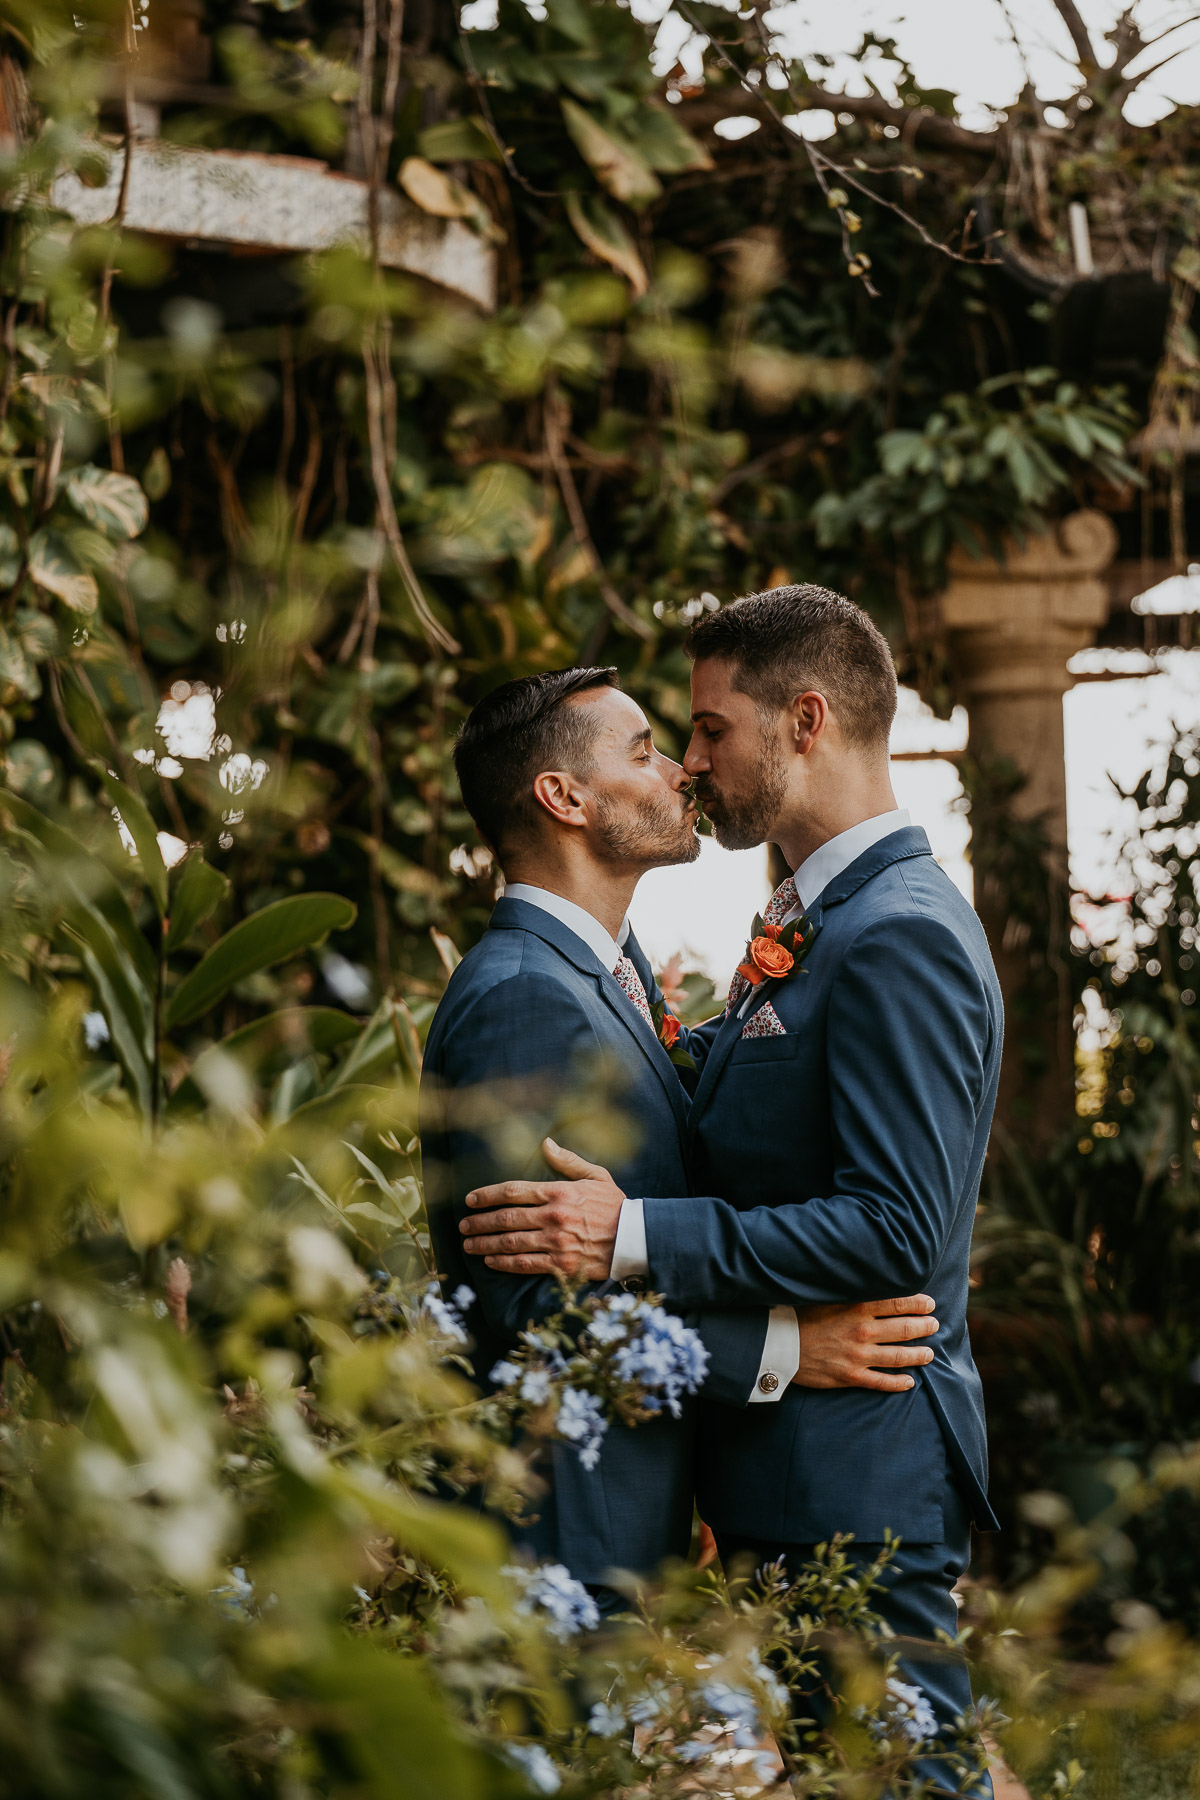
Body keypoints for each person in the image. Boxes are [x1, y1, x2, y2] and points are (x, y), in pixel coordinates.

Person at [458, 588, 1002, 1794]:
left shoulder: (896, 931)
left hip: (857, 1472)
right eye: (670, 741)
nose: (693, 765)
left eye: (707, 731)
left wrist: (630, 1232)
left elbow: (896, 1223)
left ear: (804, 720)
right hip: (790, 1484)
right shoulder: (818, 922)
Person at [421, 664, 941, 1615]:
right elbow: (527, 1305)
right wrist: (781, 1349)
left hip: (623, 1521)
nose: (679, 772)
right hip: (558, 1534)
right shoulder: (524, 998)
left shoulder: (603, 975)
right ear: (563, 797)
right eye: (645, 750)